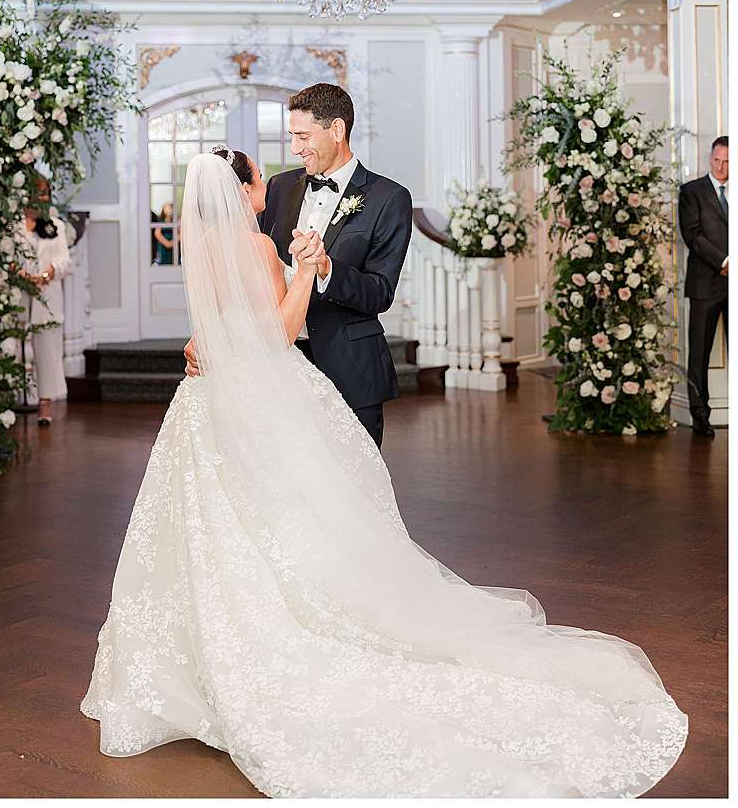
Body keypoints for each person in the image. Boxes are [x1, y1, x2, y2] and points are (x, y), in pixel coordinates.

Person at [81, 149, 686, 796]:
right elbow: (282, 331)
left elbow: (210, 332)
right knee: (284, 516)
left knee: (210, 530)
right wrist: (309, 271)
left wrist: (204, 343)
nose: (268, 182)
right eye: (257, 175)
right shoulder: (255, 247)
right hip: (259, 390)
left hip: (203, 406)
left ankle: (187, 669)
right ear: (242, 188)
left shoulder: (203, 246)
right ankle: (282, 624)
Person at [184, 84, 410, 448]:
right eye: (292, 136)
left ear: (337, 130)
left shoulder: (389, 198)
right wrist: (209, 337)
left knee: (353, 491)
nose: (295, 148)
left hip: (349, 368)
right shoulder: (278, 186)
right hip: (276, 374)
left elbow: (380, 292)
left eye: (303, 136)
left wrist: (325, 268)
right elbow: (242, 272)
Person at [678, 135, 728, 438]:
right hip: (705, 283)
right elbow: (693, 236)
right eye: (716, 160)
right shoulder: (691, 192)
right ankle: (700, 415)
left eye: (727, 162)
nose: (721, 167)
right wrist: (725, 262)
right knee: (699, 352)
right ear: (710, 158)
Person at [18, 203, 74, 425]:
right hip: (20, 294)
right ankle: (20, 397)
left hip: (46, 295)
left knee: (47, 352)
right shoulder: (13, 227)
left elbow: (65, 262)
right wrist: (20, 274)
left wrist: (46, 273)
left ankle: (45, 403)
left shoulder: (55, 226)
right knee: (17, 349)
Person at [151, 201, 175, 265]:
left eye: (171, 208)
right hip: (163, 253)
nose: (170, 210)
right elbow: (168, 244)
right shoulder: (160, 224)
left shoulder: (175, 224)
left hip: (173, 253)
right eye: (168, 208)